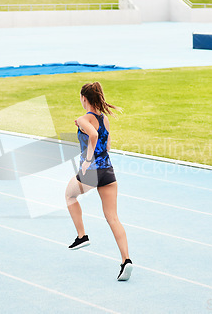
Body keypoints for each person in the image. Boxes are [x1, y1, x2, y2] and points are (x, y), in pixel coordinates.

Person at [65, 81, 133, 281]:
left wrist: (87, 160)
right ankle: (126, 260)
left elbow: (93, 134)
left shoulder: (83, 119)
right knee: (113, 217)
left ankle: (81, 236)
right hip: (108, 172)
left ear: (84, 98)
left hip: (92, 171)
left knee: (69, 195)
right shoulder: (105, 120)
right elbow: (108, 145)